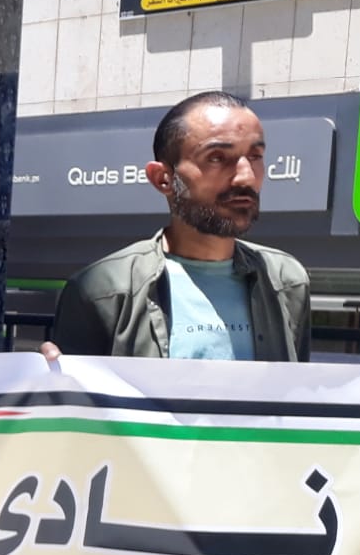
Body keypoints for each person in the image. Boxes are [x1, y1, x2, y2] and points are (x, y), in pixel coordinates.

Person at [48, 92, 308, 361]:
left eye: (255, 156)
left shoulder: (287, 281)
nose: (246, 177)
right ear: (163, 178)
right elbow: (77, 386)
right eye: (217, 158)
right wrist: (45, 374)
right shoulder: (104, 290)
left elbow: (298, 384)